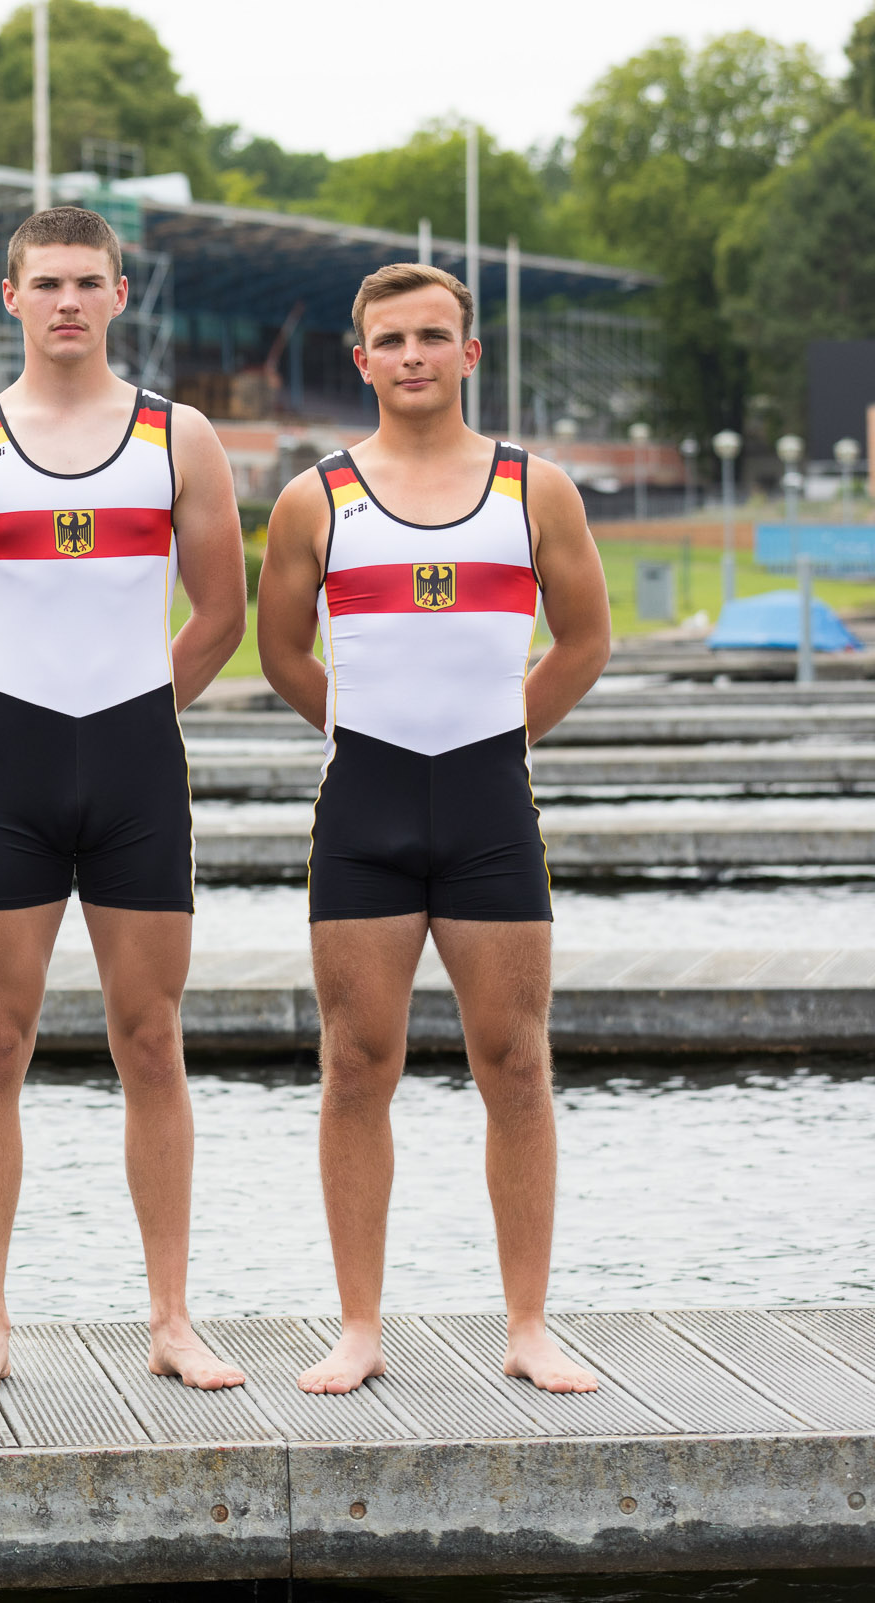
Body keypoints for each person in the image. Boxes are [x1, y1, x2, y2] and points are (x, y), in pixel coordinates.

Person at [0, 205, 250, 1397]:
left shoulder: (177, 437)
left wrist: (149, 706)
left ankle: (171, 1314)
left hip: (136, 762)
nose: (66, 302)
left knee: (151, 1038)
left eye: (86, 282)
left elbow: (218, 613)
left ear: (119, 294)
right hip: (16, 765)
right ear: (10, 297)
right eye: (45, 282)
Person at [257, 263, 608, 1396]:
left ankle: (527, 1322)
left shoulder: (533, 487)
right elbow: (281, 653)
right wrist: (364, 733)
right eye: (390, 340)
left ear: (469, 352)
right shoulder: (316, 498)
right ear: (360, 361)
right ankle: (358, 1324)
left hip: (488, 805)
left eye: (432, 336)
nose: (412, 355)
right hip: (362, 805)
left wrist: (498, 737)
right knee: (356, 1064)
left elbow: (585, 637)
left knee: (514, 1060)